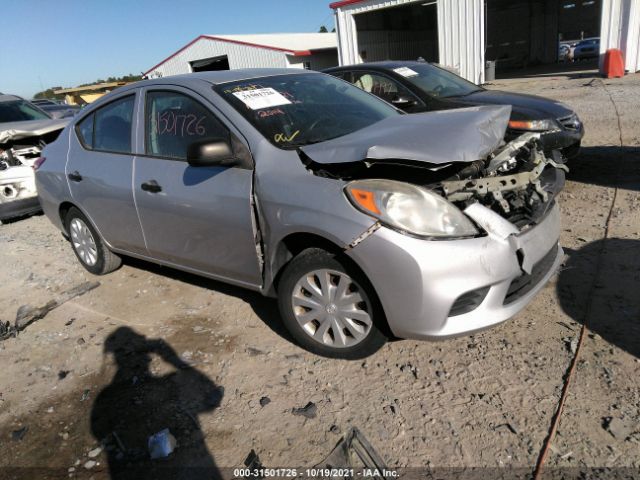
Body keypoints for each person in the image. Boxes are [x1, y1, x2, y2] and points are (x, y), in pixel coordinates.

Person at [91, 327, 223, 480]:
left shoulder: (107, 396)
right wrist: (173, 359)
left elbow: (101, 431)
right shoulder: (164, 385)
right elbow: (211, 399)